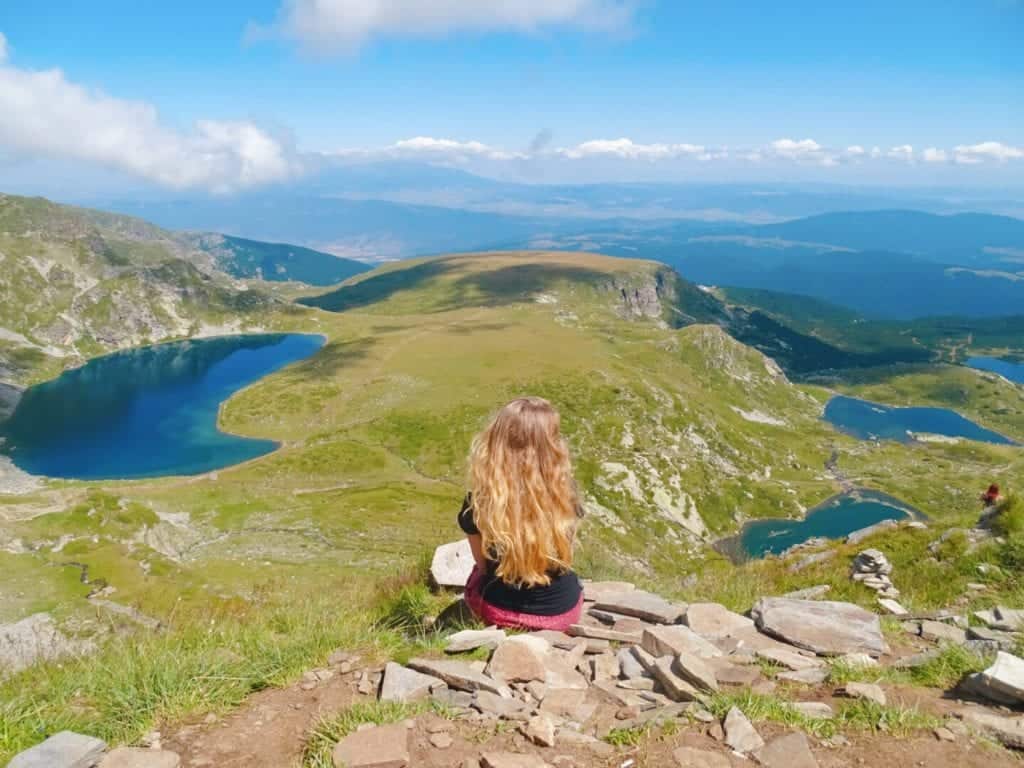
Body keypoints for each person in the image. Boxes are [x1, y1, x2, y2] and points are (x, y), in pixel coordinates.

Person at [458, 396, 584, 631]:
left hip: (500, 612)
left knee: (476, 577)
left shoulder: (480, 501)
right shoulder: (566, 493)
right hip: (563, 612)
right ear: (552, 445)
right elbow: (566, 556)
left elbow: (484, 567)